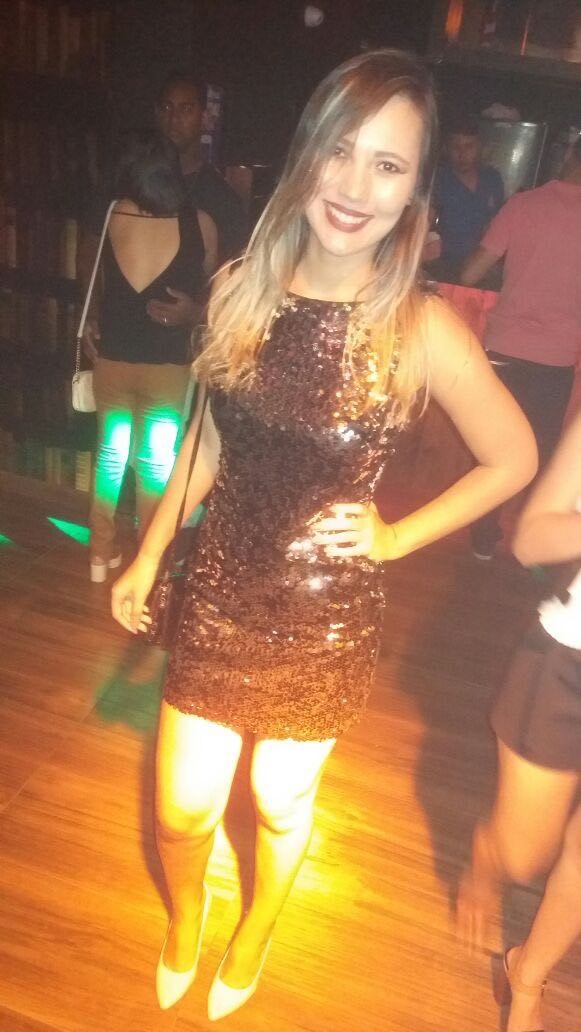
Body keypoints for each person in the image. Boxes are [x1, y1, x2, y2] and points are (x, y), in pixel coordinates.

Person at [111, 49, 536, 1020]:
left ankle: (257, 926)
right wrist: (150, 549)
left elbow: (512, 457)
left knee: (277, 801)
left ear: (414, 191)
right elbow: (208, 439)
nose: (353, 187)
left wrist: (393, 539)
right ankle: (187, 915)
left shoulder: (419, 328)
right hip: (220, 587)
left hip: (324, 609)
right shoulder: (237, 287)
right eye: (339, 152)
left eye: (386, 166)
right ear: (305, 154)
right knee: (181, 806)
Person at [457, 408, 581, 1032]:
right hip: (568, 666)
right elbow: (530, 538)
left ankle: (526, 975)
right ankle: (489, 851)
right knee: (525, 856)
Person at [85, 130, 217, 582]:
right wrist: (193, 311)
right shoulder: (199, 223)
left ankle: (99, 555)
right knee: (155, 466)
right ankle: (149, 562)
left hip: (112, 359)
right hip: (167, 365)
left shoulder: (111, 214)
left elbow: (94, 279)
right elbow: (216, 296)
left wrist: (93, 320)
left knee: (109, 457)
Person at [461, 139, 581, 559]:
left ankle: (483, 535)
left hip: (504, 349)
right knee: (541, 451)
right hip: (557, 357)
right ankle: (531, 538)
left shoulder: (524, 204)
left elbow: (470, 272)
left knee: (492, 449)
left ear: (568, 157)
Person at [155, 71, 248, 267]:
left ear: (204, 118)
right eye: (167, 107)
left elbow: (233, 270)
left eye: (186, 109)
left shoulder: (221, 199)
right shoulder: (133, 182)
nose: (174, 119)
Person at [430, 117, 504, 282]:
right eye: (455, 147)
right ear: (446, 149)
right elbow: (422, 225)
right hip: (444, 268)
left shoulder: (492, 179)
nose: (462, 154)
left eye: (469, 146)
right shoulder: (437, 180)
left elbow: (498, 226)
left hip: (481, 266)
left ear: (480, 147)